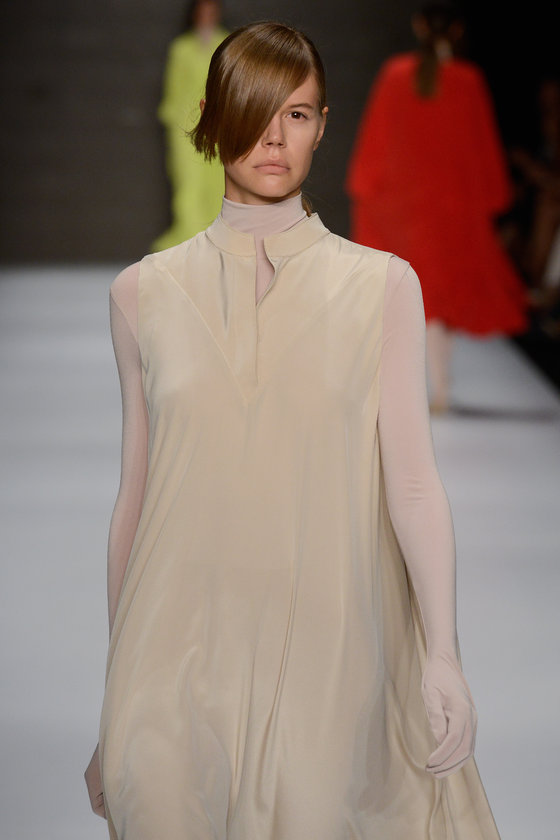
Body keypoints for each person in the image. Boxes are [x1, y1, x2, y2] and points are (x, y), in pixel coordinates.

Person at [85, 21, 501, 839]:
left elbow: (413, 484)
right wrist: (115, 694)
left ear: (321, 126)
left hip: (327, 658)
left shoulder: (381, 287)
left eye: (299, 114)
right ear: (212, 117)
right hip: (170, 661)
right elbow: (136, 498)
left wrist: (442, 653)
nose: (276, 137)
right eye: (256, 109)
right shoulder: (141, 295)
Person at [346, 2, 527, 413]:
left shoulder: (396, 74)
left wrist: (365, 188)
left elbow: (376, 140)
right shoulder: (468, 80)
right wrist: (492, 198)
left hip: (404, 207)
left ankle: (399, 390)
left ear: (418, 26)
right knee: (441, 301)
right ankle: (440, 389)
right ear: (458, 31)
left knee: (402, 296)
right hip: (450, 207)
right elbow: (482, 148)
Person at [152, 0, 228, 251]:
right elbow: (172, 90)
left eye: (211, 11)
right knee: (188, 184)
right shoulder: (181, 47)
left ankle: (216, 242)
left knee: (217, 183)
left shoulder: (226, 43)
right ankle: (190, 243)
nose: (207, 16)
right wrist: (174, 122)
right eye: (202, 11)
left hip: (217, 124)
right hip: (185, 126)